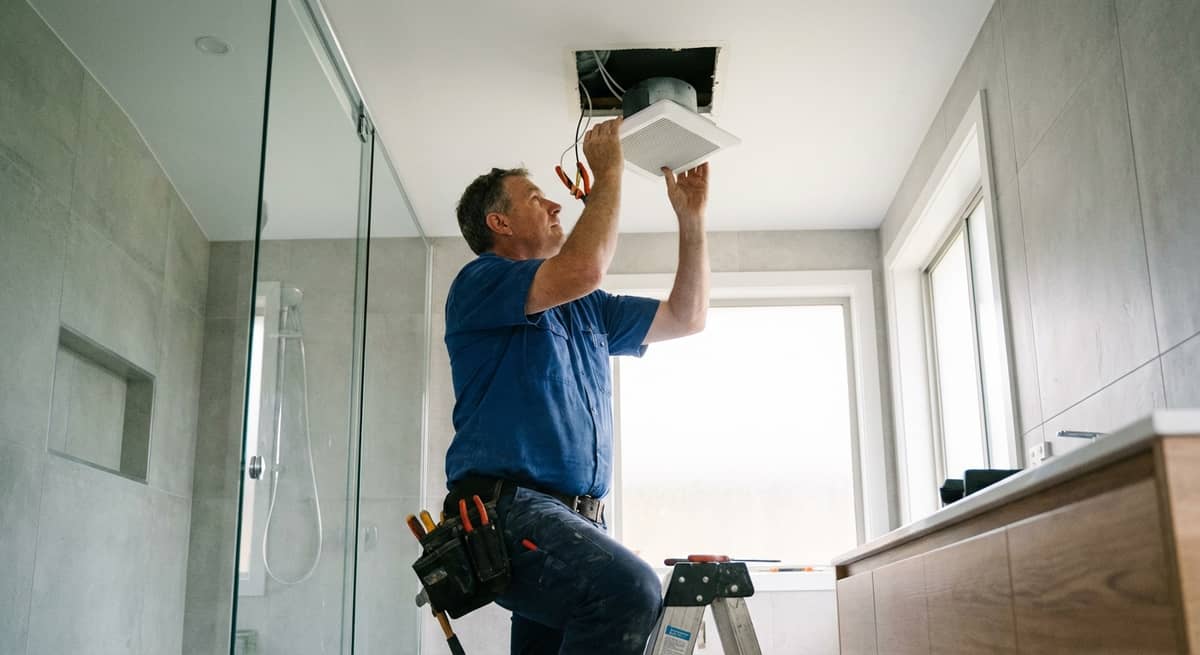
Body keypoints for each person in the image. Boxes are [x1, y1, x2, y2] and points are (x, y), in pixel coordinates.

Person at [442, 117, 711, 654]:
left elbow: (687, 317)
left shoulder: (585, 307)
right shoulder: (481, 282)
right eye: (537, 199)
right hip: (509, 511)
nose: (555, 206)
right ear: (499, 222)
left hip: (575, 518)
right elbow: (585, 266)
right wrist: (609, 173)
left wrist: (691, 220)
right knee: (631, 591)